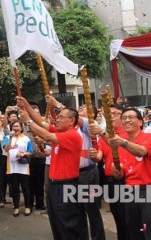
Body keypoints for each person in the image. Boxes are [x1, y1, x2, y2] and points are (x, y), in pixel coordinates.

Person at [17, 96, 88, 240]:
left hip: (67, 187)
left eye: (61, 117)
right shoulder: (60, 132)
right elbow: (42, 123)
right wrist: (27, 106)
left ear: (72, 121)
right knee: (57, 223)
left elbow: (46, 135)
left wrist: (27, 121)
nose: (58, 119)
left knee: (69, 225)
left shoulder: (72, 135)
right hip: (54, 186)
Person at [49, 97, 105, 240]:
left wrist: (57, 104)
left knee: (91, 209)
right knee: (76, 211)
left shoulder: (88, 126)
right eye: (79, 108)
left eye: (83, 109)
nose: (80, 110)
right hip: (72, 177)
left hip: (87, 175)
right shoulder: (67, 128)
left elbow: (75, 117)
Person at [110, 108, 151, 240]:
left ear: (140, 122)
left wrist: (123, 143)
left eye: (131, 117)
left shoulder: (149, 138)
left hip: (150, 192)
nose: (127, 120)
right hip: (130, 192)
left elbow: (142, 151)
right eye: (124, 118)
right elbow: (121, 175)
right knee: (133, 233)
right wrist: (117, 172)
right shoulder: (122, 145)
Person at [89, 104, 129, 240]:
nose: (111, 117)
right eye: (109, 114)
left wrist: (101, 132)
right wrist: (94, 155)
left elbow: (115, 145)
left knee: (127, 218)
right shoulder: (104, 137)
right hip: (110, 181)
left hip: (124, 181)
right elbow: (99, 156)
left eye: (115, 114)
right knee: (117, 216)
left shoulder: (127, 134)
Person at [3, 120, 33, 217]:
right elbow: (6, 149)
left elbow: (31, 152)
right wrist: (11, 138)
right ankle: (16, 207)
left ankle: (27, 206)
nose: (15, 128)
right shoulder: (7, 137)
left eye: (17, 126)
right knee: (14, 188)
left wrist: (23, 154)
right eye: (14, 126)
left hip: (23, 166)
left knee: (25, 187)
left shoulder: (26, 138)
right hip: (12, 167)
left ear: (21, 128)